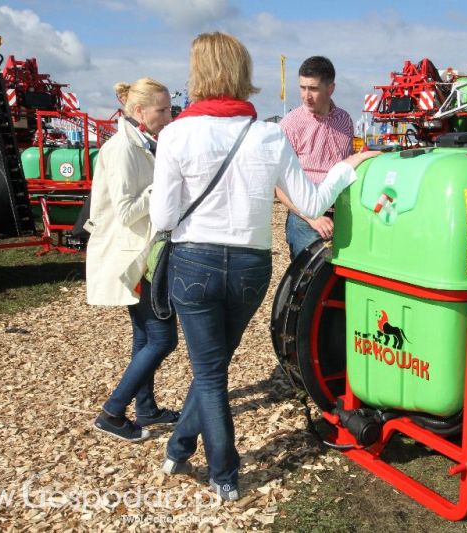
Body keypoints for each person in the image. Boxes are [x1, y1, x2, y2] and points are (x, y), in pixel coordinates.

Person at [149, 32, 380, 501]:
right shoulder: (269, 133)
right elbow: (313, 200)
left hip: (196, 261)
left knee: (211, 372)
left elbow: (163, 220)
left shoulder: (176, 133)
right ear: (244, 74)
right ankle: (179, 444)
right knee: (214, 367)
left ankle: (224, 474)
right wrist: (350, 165)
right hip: (250, 267)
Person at [87, 78, 179, 442]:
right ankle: (112, 412)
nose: (169, 116)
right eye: (163, 110)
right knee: (162, 338)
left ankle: (146, 408)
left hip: (143, 255)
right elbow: (126, 212)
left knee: (144, 337)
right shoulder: (122, 149)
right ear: (140, 112)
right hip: (134, 259)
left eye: (169, 108)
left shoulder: (143, 143)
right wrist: (163, 187)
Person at [275, 56, 354, 260]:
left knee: (337, 285)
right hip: (304, 221)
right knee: (307, 287)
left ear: (331, 88)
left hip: (343, 216)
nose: (306, 96)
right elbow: (279, 185)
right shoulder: (290, 125)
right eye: (302, 88)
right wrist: (312, 217)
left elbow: (347, 169)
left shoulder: (345, 121)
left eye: (313, 89)